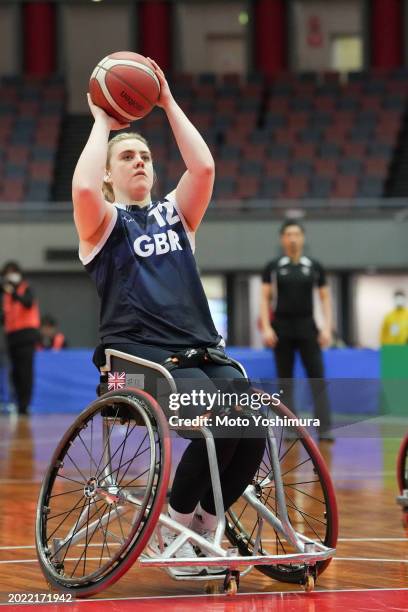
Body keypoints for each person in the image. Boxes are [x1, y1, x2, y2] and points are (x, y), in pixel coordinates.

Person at [72, 59, 265, 576]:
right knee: (214, 415)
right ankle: (171, 524)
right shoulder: (103, 225)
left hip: (199, 353)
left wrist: (168, 102)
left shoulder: (175, 215)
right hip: (132, 363)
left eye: (145, 156)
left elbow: (203, 169)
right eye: (127, 156)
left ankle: (202, 525)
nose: (139, 162)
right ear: (110, 173)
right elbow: (86, 191)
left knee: (252, 420)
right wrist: (100, 123)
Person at [260, 220, 333, 440]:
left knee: (317, 379)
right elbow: (264, 299)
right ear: (282, 239)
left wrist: (327, 328)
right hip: (281, 329)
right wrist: (266, 327)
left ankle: (325, 429)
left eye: (297, 234)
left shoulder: (314, 266)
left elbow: (325, 299)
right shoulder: (273, 267)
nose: (293, 238)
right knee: (286, 382)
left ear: (302, 238)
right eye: (288, 234)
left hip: (308, 328)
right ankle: (291, 430)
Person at [0, 261, 40, 415]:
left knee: (25, 372)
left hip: (26, 336)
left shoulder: (26, 289)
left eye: (13, 272)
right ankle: (18, 404)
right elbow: (7, 316)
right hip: (12, 337)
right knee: (15, 373)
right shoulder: (7, 296)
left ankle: (25, 405)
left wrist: (13, 292)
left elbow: (28, 303)